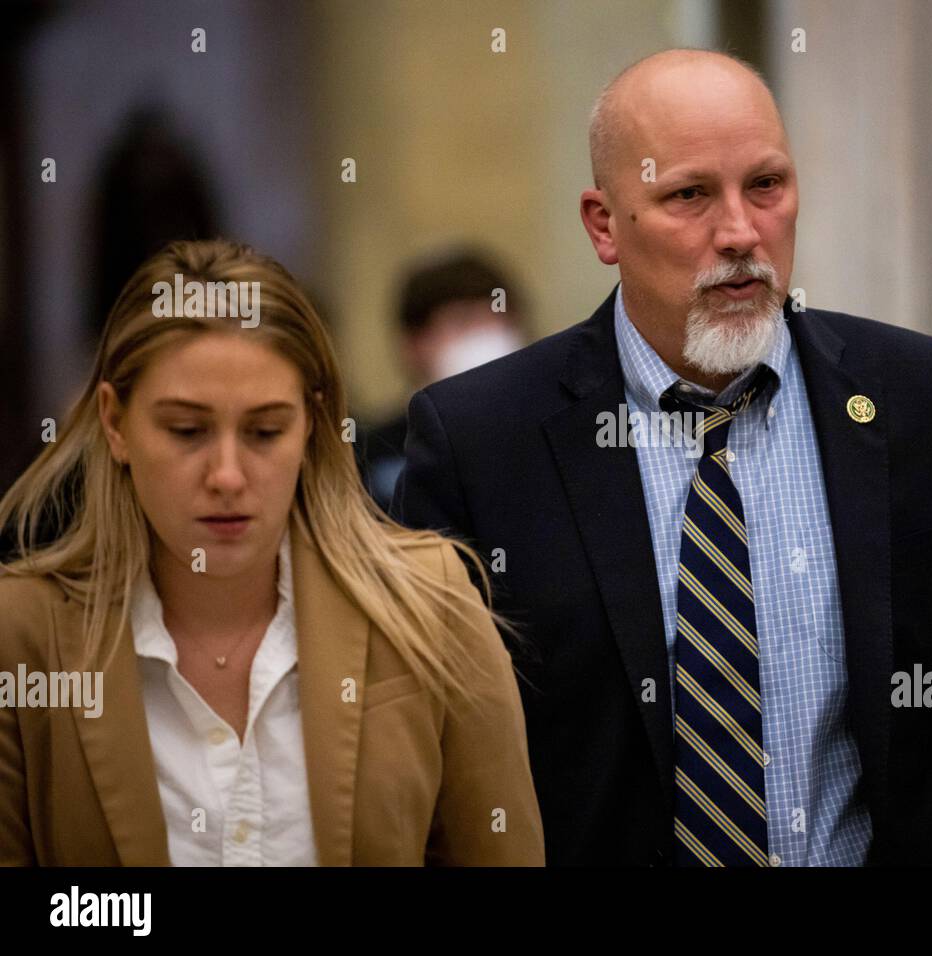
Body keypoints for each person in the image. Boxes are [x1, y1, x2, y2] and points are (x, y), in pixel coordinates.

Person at [394, 49, 932, 866]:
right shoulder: (482, 440)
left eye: (766, 186)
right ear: (604, 224)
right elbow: (431, 778)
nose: (741, 232)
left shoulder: (926, 403)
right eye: (689, 195)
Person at [0, 238, 543, 866]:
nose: (227, 474)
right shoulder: (24, 633)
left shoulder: (429, 601)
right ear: (115, 424)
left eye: (264, 431)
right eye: (186, 430)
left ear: (312, 424)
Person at [355, 249, 529, 511]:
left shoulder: (546, 438)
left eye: (498, 320)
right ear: (413, 344)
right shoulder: (372, 453)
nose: (485, 336)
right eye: (463, 321)